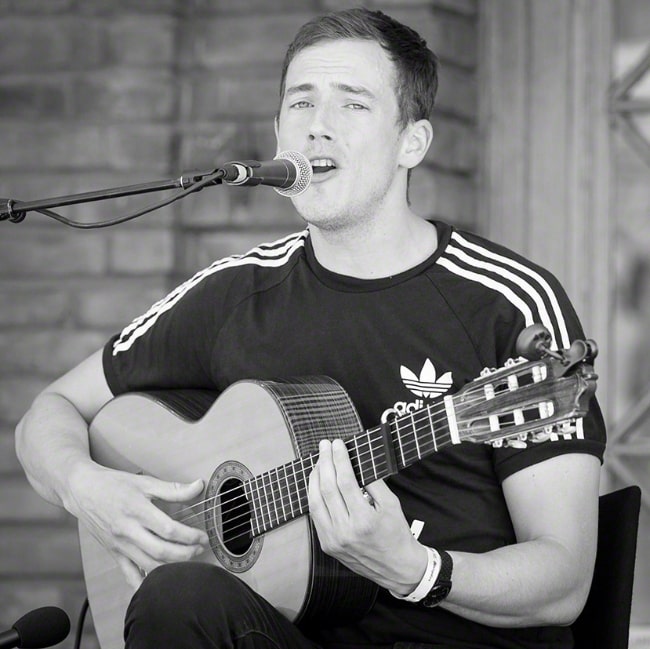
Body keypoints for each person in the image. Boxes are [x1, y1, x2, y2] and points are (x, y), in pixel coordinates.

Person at [16, 7, 606, 649]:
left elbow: (565, 583)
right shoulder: (233, 290)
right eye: (301, 103)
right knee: (180, 595)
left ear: (412, 142)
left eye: (353, 105)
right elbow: (50, 412)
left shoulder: (509, 302)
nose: (317, 127)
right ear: (277, 133)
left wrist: (420, 572)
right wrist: (89, 489)